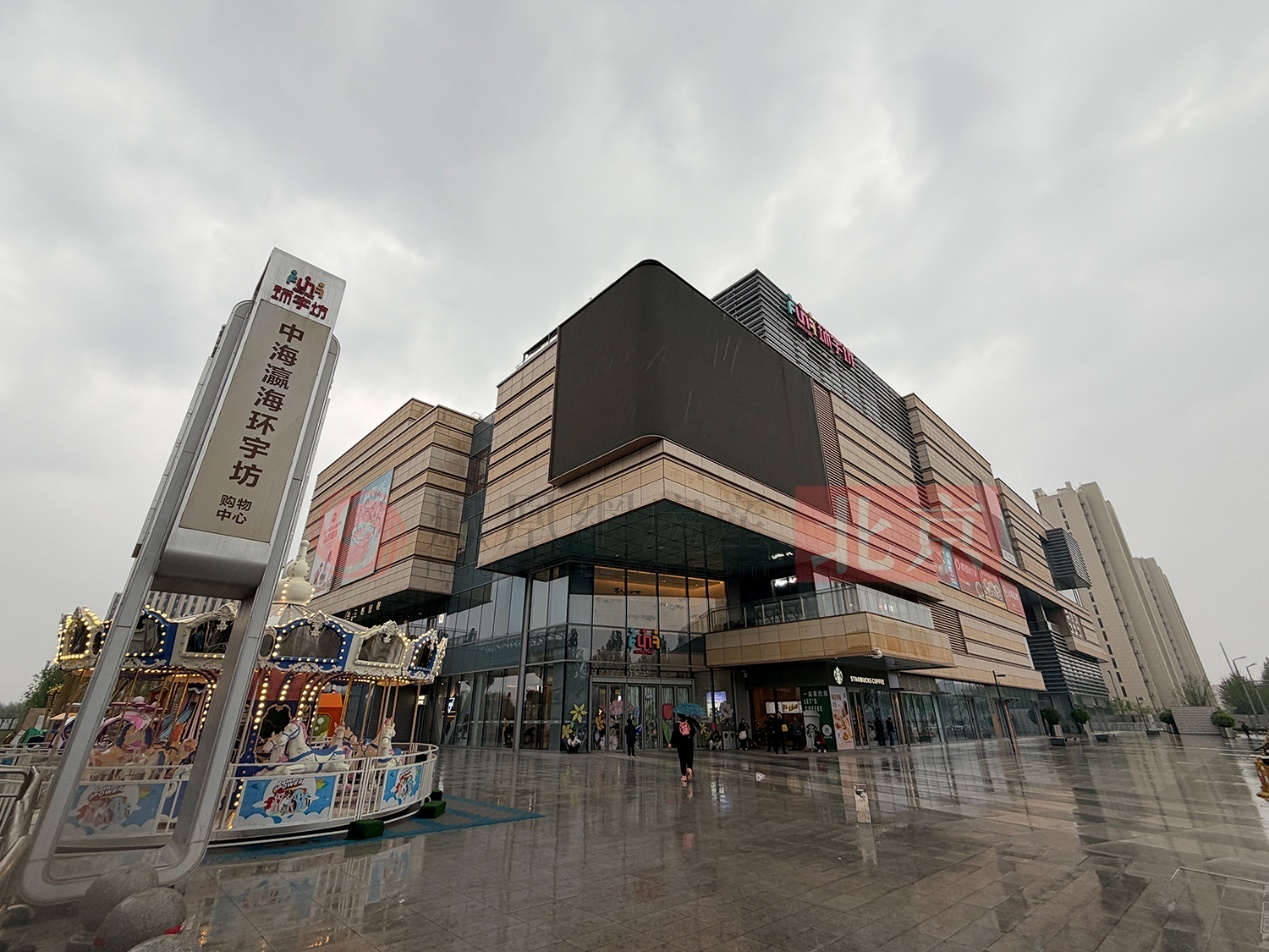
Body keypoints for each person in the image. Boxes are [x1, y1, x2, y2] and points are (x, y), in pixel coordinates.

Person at [671, 713, 699, 783]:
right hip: (689, 743)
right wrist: (689, 737)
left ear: (679, 717)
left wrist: (671, 743)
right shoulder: (689, 722)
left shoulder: (677, 724)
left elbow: (674, 734)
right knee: (689, 757)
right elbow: (693, 731)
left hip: (681, 745)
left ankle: (684, 775)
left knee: (682, 759)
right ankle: (689, 768)